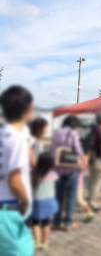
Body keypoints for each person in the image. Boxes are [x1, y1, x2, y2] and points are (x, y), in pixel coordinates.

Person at [0, 85, 34, 255]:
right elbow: (14, 182)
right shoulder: (17, 137)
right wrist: (25, 202)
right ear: (27, 109)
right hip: (7, 211)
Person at [51, 115, 85, 231]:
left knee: (58, 196)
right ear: (74, 124)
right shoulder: (74, 133)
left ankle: (56, 221)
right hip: (71, 168)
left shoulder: (57, 133)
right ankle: (68, 223)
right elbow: (77, 149)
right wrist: (83, 161)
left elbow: (53, 150)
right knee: (71, 196)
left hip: (59, 169)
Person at [30, 152, 58, 251]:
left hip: (38, 202)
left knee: (35, 222)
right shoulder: (53, 174)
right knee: (46, 222)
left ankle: (37, 242)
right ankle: (45, 242)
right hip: (49, 201)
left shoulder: (34, 175)